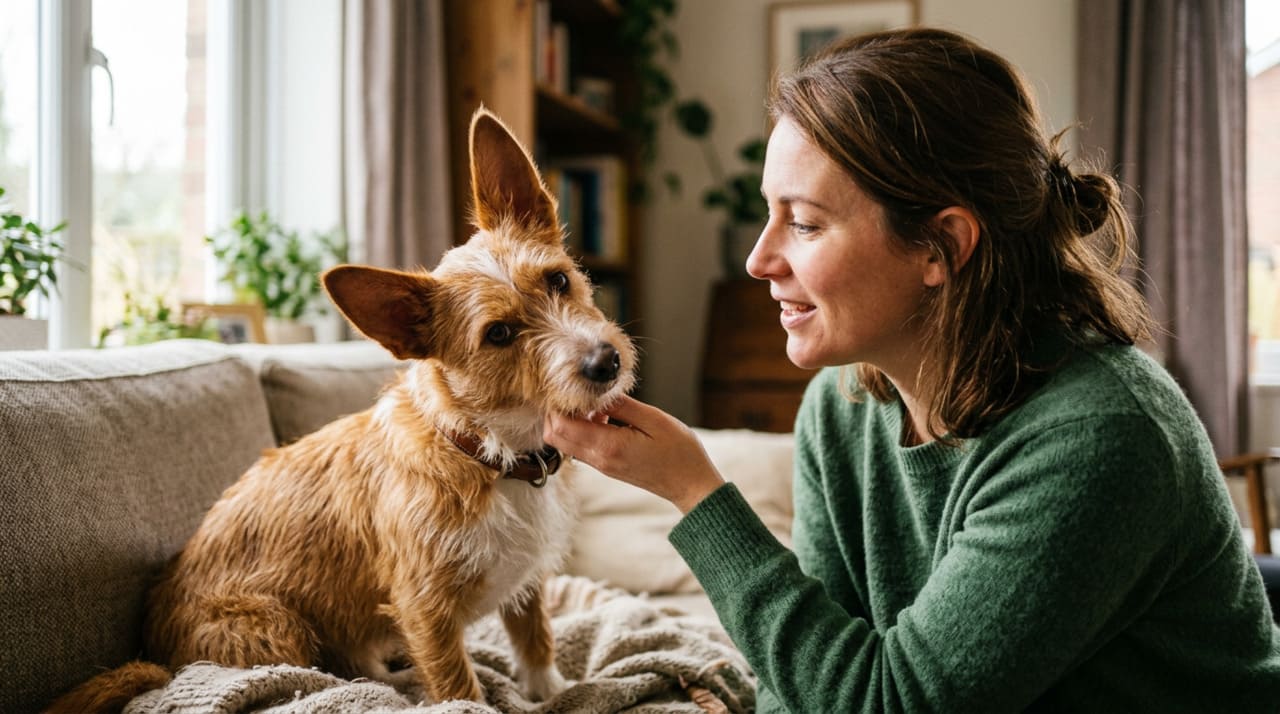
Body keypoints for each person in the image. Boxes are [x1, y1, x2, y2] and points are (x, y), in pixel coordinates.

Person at [544, 27, 1280, 712]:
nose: (758, 260)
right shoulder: (841, 407)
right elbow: (805, 679)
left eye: (802, 222)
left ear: (940, 247)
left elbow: (890, 701)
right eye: (768, 214)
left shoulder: (1100, 437)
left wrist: (693, 489)